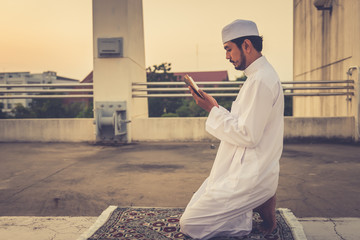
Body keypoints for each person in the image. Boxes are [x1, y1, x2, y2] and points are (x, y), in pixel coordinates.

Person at [179, 19, 284, 239]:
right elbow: (242, 123)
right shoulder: (257, 76)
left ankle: (260, 197)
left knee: (190, 224)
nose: (227, 56)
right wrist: (215, 107)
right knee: (200, 200)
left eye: (229, 49)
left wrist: (212, 110)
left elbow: (248, 135)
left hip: (252, 172)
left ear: (246, 45)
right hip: (244, 165)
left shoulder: (261, 81)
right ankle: (255, 204)